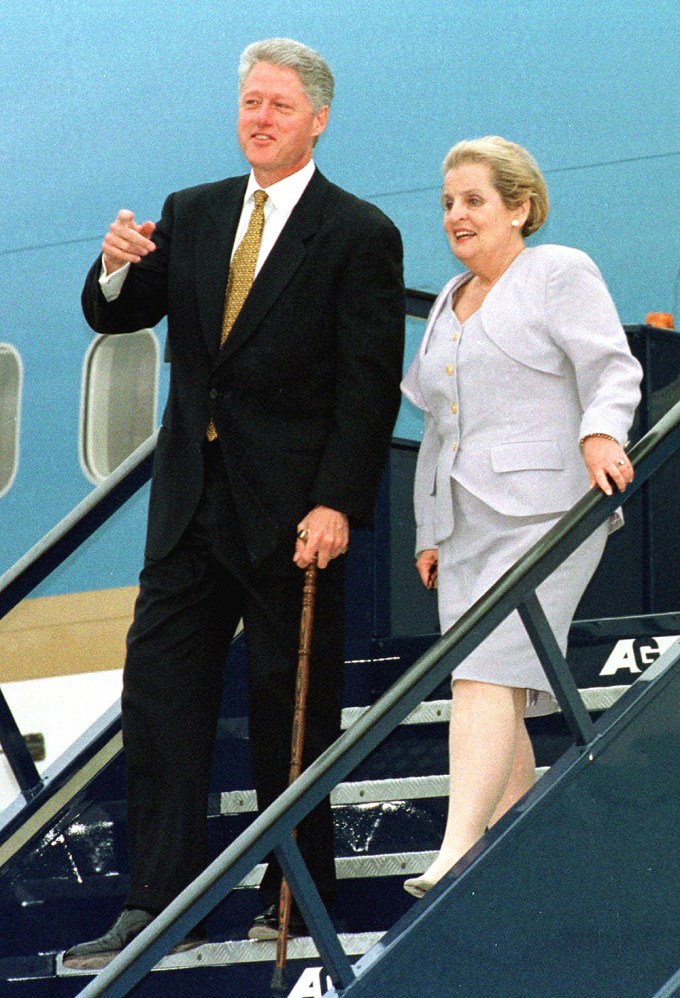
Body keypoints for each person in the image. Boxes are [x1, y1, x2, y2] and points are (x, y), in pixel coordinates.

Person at [63, 38, 404, 968]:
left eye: (280, 106)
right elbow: (119, 314)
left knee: (287, 700)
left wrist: (338, 500)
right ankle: (156, 902)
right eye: (251, 102)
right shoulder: (196, 211)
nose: (260, 118)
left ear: (318, 119)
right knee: (162, 697)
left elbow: (368, 386)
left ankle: (292, 887)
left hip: (295, 517)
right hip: (190, 506)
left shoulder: (357, 231)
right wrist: (115, 266)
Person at [400, 136, 641, 899]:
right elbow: (439, 427)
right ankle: (522, 855)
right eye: (447, 204)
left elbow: (611, 366)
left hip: (546, 510)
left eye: (473, 200)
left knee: (483, 674)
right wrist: (429, 526)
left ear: (520, 207)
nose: (456, 216)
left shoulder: (558, 271)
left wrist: (602, 431)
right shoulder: (448, 299)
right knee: (491, 683)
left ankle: (457, 847)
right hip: (467, 523)